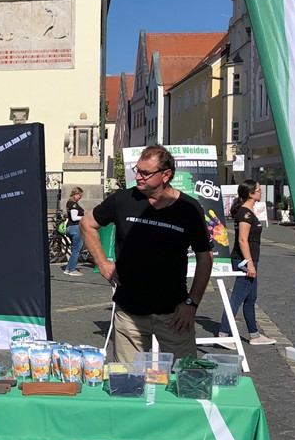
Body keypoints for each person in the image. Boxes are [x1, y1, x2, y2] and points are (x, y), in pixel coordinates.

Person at [80, 144, 213, 362]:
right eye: (137, 171)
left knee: (184, 379)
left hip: (174, 314)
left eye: (145, 173)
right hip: (129, 314)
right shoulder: (122, 200)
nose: (138, 177)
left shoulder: (189, 208)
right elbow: (87, 224)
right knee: (129, 385)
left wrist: (192, 303)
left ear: (166, 174)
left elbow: (205, 257)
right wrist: (102, 263)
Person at [218, 180, 275, 346]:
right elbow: (242, 240)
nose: (261, 192)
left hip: (250, 260)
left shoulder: (249, 211)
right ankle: (223, 334)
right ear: (250, 193)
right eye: (258, 190)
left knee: (251, 298)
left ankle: (254, 335)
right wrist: (249, 264)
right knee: (237, 297)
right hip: (244, 261)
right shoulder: (245, 214)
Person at [63, 187, 85, 276]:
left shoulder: (70, 203)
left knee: (74, 249)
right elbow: (74, 217)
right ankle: (72, 269)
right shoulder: (73, 204)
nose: (80, 197)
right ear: (75, 194)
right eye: (80, 195)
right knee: (77, 250)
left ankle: (68, 268)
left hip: (71, 227)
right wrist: (84, 217)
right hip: (75, 227)